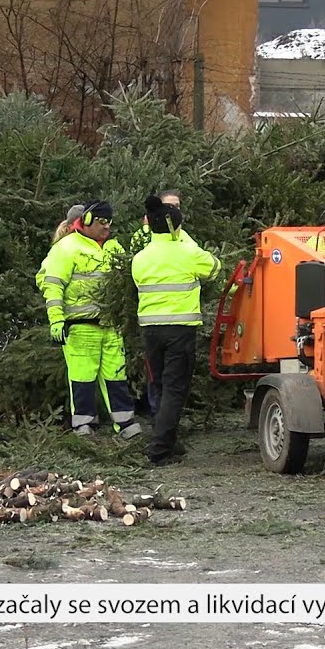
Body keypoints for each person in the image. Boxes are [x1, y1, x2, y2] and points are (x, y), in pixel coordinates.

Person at [37, 200, 142, 439]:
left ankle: (126, 425)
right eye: (101, 222)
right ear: (86, 222)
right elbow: (52, 285)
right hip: (80, 326)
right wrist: (56, 320)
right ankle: (84, 426)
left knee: (117, 375)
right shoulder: (67, 248)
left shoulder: (115, 248)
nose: (106, 227)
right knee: (82, 378)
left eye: (109, 222)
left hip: (111, 326)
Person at [131, 194, 222, 465]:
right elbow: (214, 269)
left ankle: (167, 441)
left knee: (158, 385)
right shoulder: (187, 252)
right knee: (174, 389)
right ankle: (159, 450)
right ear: (174, 227)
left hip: (150, 331)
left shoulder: (140, 258)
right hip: (180, 330)